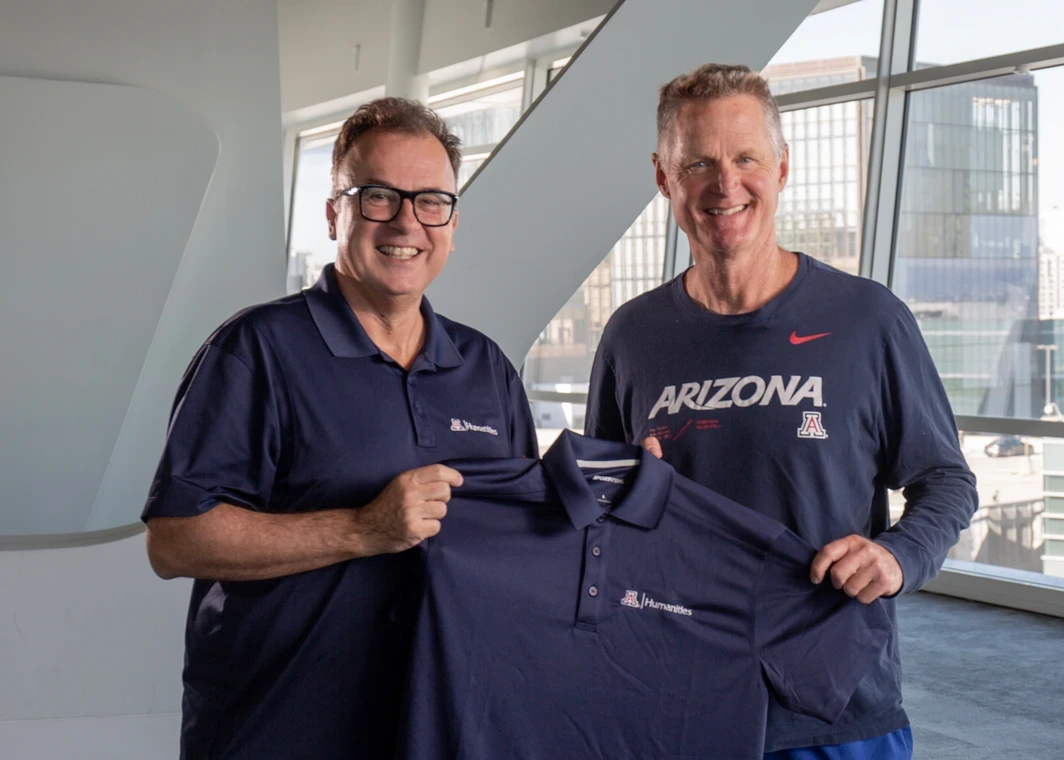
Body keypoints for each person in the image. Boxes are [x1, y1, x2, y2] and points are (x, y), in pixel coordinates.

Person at [585, 63, 978, 759]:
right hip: (672, 699)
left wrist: (896, 557)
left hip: (834, 707)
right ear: (663, 177)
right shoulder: (632, 336)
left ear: (783, 167)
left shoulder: (867, 319)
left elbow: (946, 480)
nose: (724, 184)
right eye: (698, 162)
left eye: (745, 159)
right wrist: (617, 491)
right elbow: (599, 509)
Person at [142, 98, 537, 760]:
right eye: (380, 196)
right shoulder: (257, 351)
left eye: (431, 201)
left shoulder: (486, 369)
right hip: (276, 733)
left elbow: (525, 536)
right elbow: (176, 539)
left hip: (438, 732)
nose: (407, 222)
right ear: (336, 213)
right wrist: (362, 529)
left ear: (453, 221)